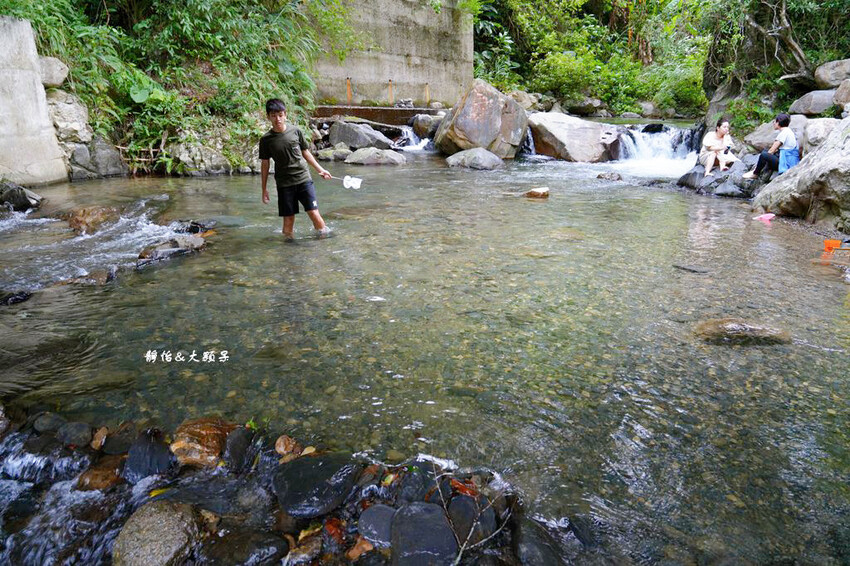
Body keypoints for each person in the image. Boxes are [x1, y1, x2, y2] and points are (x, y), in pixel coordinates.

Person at [259, 98, 332, 239]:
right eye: (273, 116)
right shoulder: (266, 140)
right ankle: (289, 250)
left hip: (303, 179)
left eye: (280, 115)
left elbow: (305, 152)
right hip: (284, 183)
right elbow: (265, 164)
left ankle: (324, 242)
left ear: (285, 115)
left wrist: (320, 170)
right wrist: (264, 189)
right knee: (288, 220)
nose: (277, 119)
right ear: (268, 117)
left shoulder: (295, 131)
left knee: (314, 214)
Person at [742, 113, 799, 180]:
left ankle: (755, 173)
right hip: (788, 159)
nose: (774, 123)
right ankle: (759, 169)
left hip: (786, 163)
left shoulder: (783, 133)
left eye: (774, 121)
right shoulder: (788, 131)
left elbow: (772, 150)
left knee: (764, 155)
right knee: (765, 151)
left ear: (778, 122)